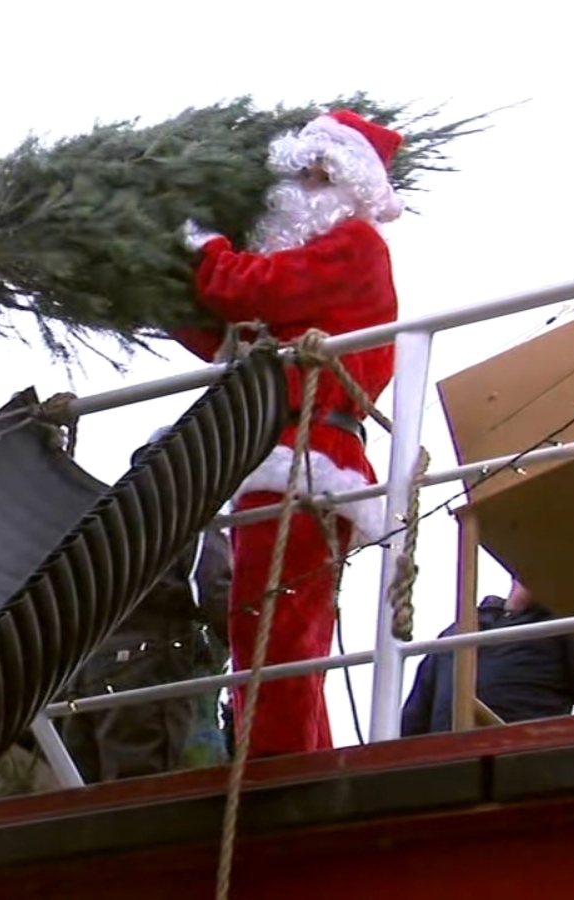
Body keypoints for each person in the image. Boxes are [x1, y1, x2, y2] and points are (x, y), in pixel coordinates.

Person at [167, 109, 406, 759]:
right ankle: (295, 759)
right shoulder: (314, 270)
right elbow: (232, 338)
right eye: (300, 172)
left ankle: (277, 768)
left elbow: (257, 290)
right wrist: (165, 296)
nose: (301, 187)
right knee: (272, 625)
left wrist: (209, 250)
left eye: (318, 174)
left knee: (274, 625)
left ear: (350, 184)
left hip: (311, 455)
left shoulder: (355, 246)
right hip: (282, 452)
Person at [0, 431, 235, 796]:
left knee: (87, 794)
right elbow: (213, 590)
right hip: (144, 670)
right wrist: (258, 645)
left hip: (79, 676)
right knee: (140, 791)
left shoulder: (102, 519)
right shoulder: (187, 512)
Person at [400, 579, 574, 736]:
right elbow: (415, 716)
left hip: (519, 759)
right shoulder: (459, 629)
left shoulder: (568, 626)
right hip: (443, 760)